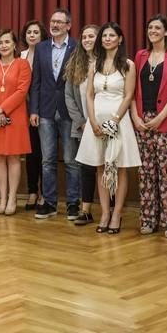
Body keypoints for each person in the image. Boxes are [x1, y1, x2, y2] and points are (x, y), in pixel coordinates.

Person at [75, 22, 141, 234]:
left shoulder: (128, 64)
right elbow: (89, 95)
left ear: (120, 39)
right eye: (104, 36)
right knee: (100, 167)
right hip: (96, 122)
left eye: (112, 35)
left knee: (119, 168)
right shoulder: (94, 65)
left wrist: (114, 120)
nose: (107, 39)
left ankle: (117, 213)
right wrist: (92, 121)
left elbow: (129, 95)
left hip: (118, 121)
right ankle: (104, 212)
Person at [132, 14, 167, 238]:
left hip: (166, 120)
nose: (152, 30)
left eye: (157, 28)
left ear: (166, 32)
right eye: (150, 27)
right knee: (146, 173)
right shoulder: (140, 55)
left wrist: (159, 118)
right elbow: (133, 89)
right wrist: (136, 118)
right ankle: (148, 219)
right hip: (142, 121)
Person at [29, 8, 79, 220]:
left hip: (70, 111)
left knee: (71, 160)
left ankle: (73, 203)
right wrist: (33, 110)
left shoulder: (77, 47)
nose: (55, 25)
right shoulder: (40, 48)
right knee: (47, 159)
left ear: (68, 25)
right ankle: (49, 202)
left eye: (60, 22)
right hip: (46, 112)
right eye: (52, 21)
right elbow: (36, 82)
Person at [0, 29, 32, 215]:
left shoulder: (22, 64)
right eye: (0, 42)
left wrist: (2, 109)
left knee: (13, 156)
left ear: (14, 45)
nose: (3, 45)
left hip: (15, 116)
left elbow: (22, 90)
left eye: (7, 42)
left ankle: (13, 198)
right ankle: (2, 198)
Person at [65, 24, 99, 226]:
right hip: (83, 127)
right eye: (84, 36)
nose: (86, 39)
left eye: (91, 36)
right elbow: (69, 96)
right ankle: (85, 210)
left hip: (104, 127)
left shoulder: (107, 63)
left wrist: (98, 123)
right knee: (86, 168)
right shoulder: (75, 63)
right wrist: (81, 123)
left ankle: (110, 211)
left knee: (106, 170)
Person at [19, 20, 47, 210]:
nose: (32, 35)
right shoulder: (19, 56)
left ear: (42, 35)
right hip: (23, 109)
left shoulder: (47, 54)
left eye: (36, 32)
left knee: (46, 153)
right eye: (29, 32)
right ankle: (31, 192)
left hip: (44, 109)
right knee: (31, 153)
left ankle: (45, 193)